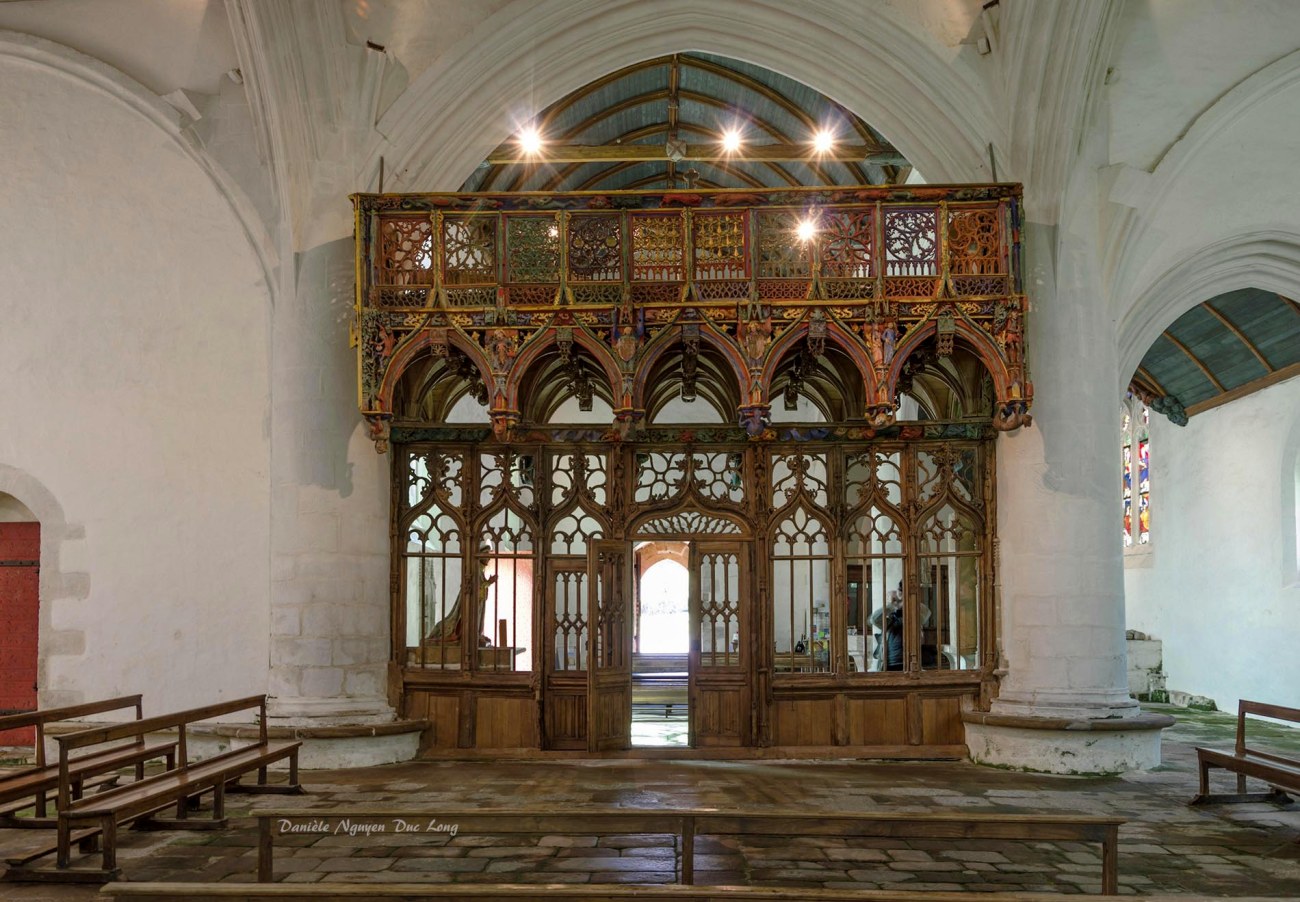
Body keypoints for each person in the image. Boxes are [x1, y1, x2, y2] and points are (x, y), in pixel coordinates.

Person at [870, 582, 931, 671]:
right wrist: (892, 605)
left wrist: (906, 599)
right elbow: (874, 619)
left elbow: (926, 612)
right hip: (889, 664)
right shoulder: (890, 621)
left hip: (909, 663)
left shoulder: (913, 619)